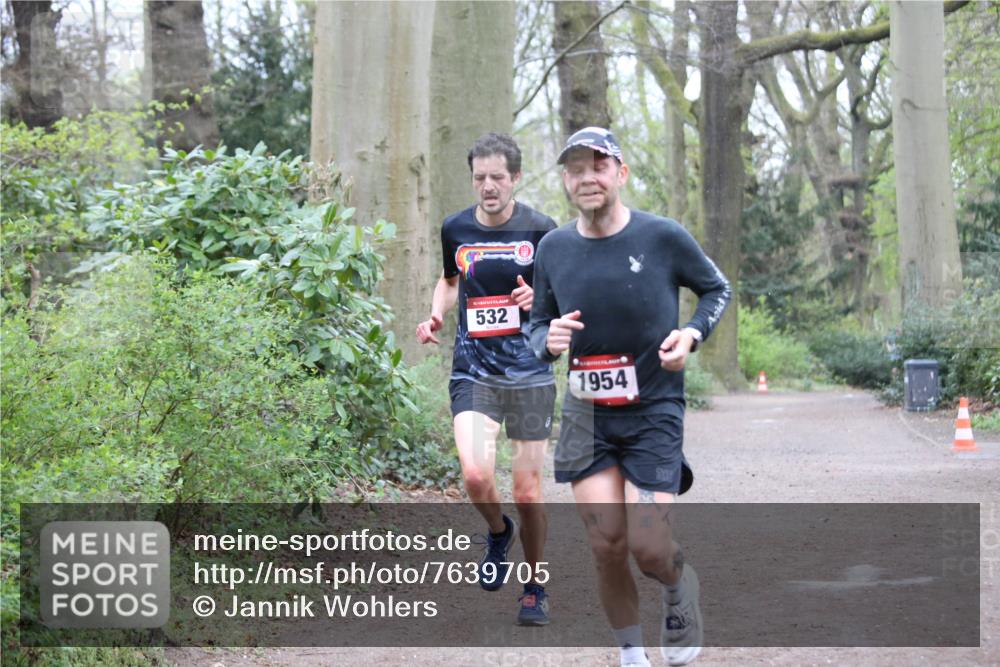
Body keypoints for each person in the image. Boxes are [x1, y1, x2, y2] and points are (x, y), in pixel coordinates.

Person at [528, 127, 731, 666]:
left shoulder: (662, 236)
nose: (587, 177)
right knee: (606, 546)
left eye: (599, 165)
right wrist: (544, 341)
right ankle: (632, 654)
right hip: (586, 415)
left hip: (653, 410)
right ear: (566, 180)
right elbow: (537, 323)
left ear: (621, 173)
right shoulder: (553, 248)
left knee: (648, 547)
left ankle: (677, 583)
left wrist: (690, 334)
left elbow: (717, 288)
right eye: (576, 168)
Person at [415, 132, 558, 626]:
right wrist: (435, 315)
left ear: (515, 178)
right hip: (473, 370)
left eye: (498, 177)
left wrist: (536, 301)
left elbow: (560, 298)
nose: (488, 186)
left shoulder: (543, 230)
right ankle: (499, 532)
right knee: (476, 475)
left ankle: (536, 584)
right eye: (480, 177)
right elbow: (450, 280)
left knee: (528, 490)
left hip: (530, 372)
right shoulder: (455, 228)